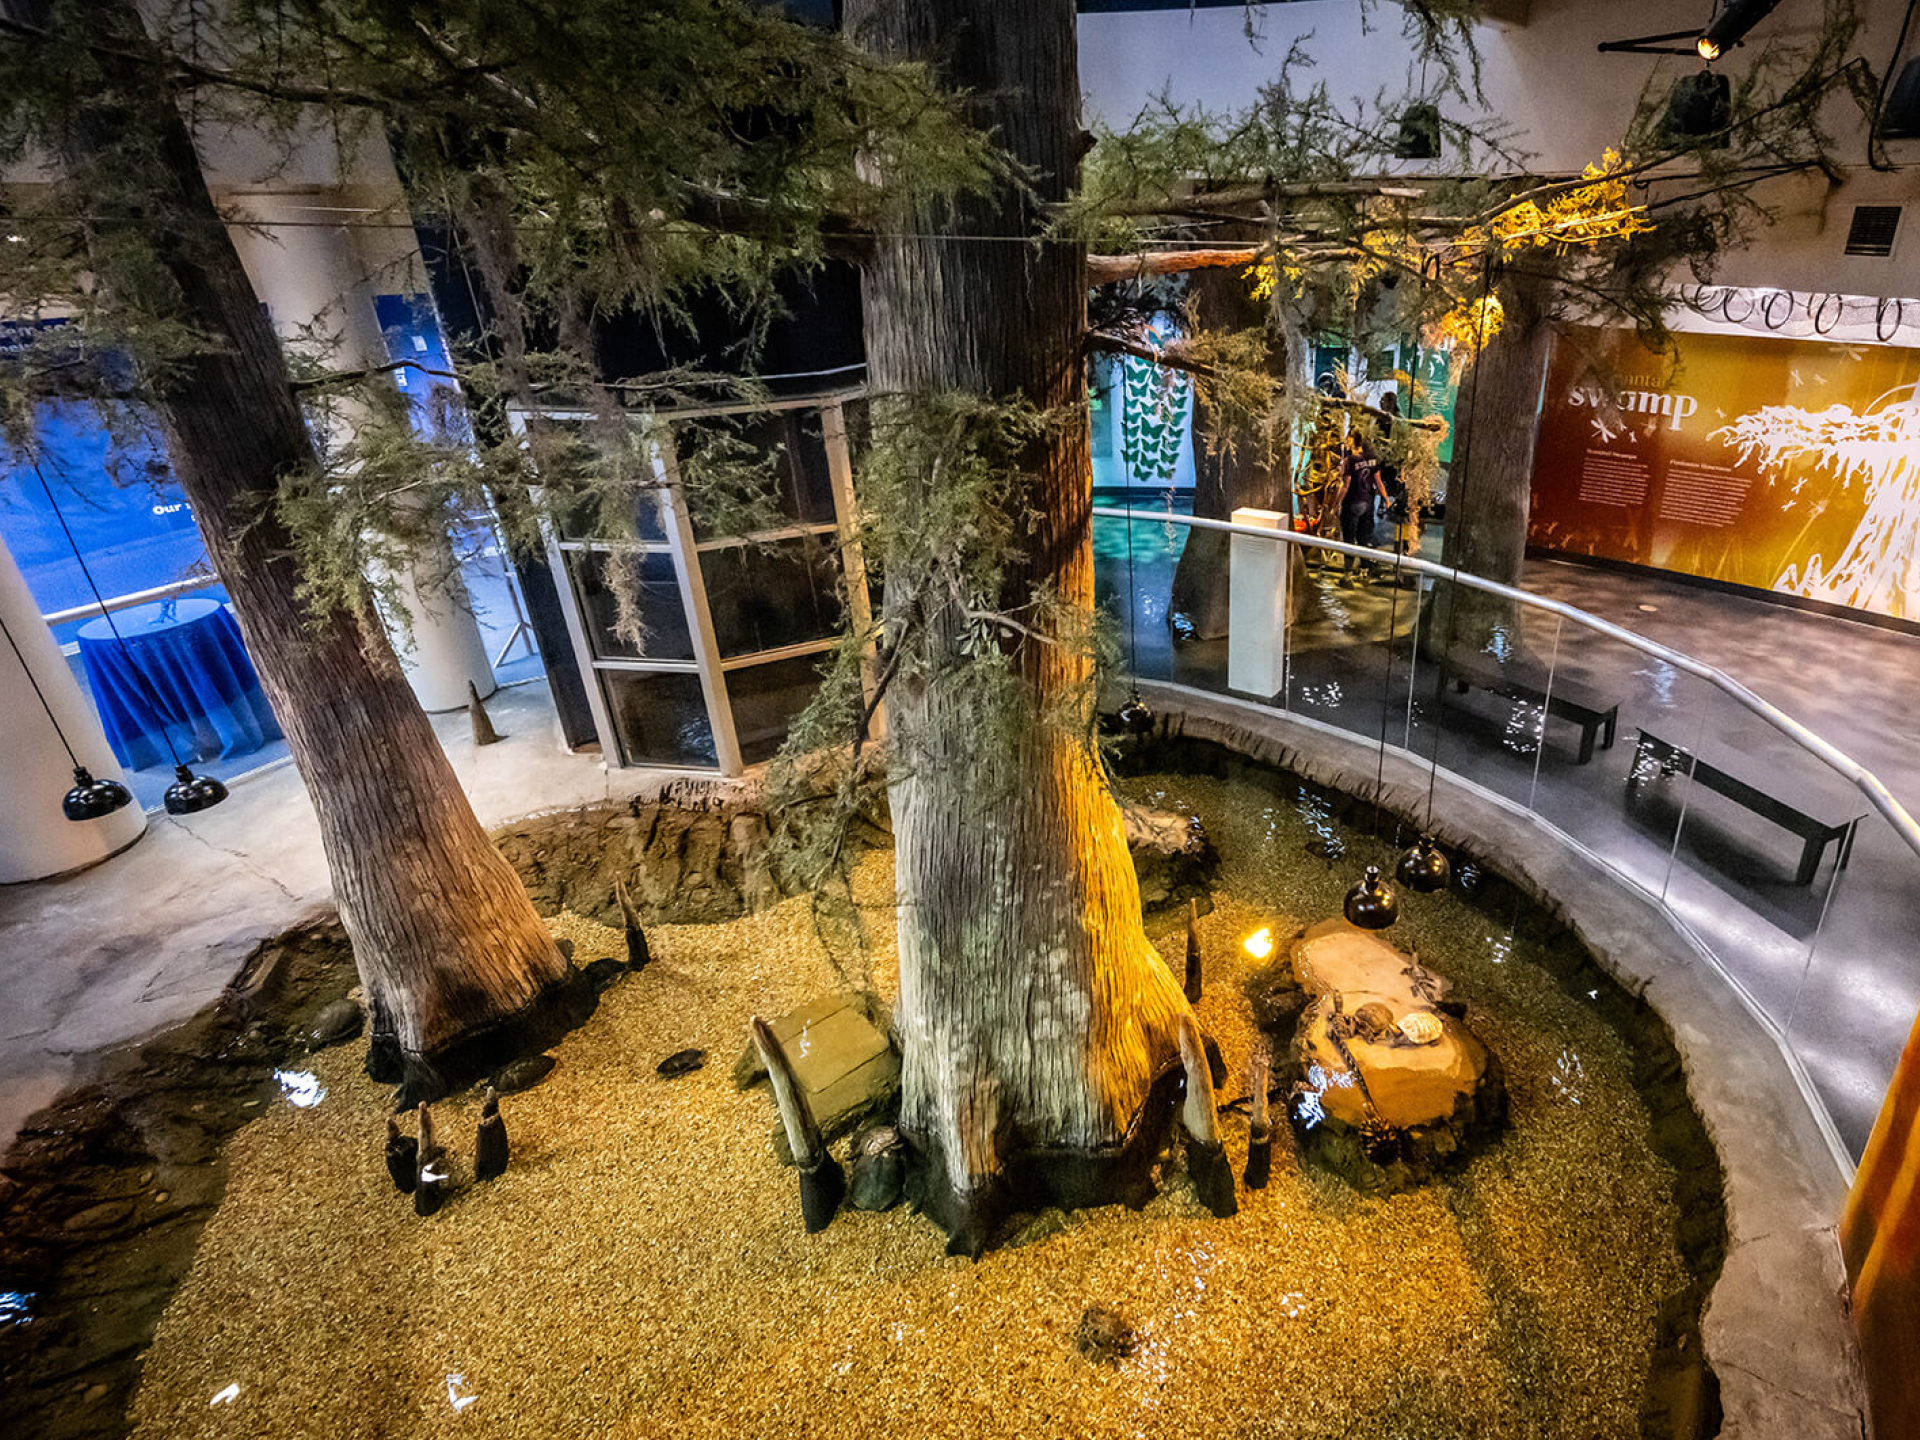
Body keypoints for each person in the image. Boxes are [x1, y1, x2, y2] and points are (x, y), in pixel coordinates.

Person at [1338, 433, 1389, 574]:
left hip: (1352, 502)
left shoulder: (1350, 461)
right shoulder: (1373, 458)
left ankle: (1347, 572)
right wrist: (1386, 499)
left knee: (1349, 538)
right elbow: (1378, 482)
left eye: (1348, 440)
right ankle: (1364, 568)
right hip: (1368, 503)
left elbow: (1345, 485)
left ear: (1353, 441)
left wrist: (1336, 503)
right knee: (1363, 537)